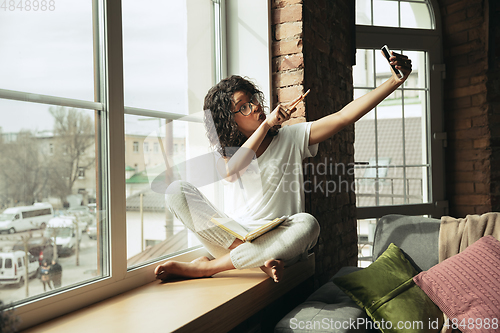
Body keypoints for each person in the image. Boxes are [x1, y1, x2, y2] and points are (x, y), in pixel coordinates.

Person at [154, 51, 412, 283]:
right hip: (238, 237)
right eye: (243, 107)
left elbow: (343, 117)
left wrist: (393, 81)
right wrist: (266, 125)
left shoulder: (291, 138)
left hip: (281, 238)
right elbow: (231, 172)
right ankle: (253, 260)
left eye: (252, 99)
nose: (255, 106)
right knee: (176, 190)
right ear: (229, 123)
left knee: (308, 224)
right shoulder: (232, 156)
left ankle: (206, 268)